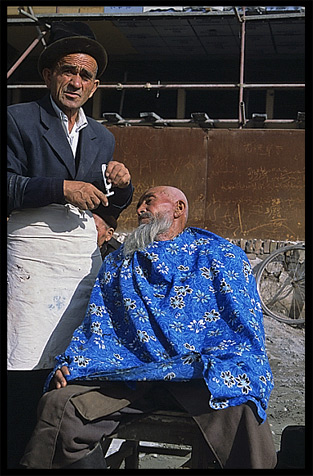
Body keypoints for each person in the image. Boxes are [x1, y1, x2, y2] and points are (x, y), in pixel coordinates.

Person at [21, 186, 277, 469]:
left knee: (243, 411)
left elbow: (241, 327)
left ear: (179, 209)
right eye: (140, 203)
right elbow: (99, 323)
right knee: (59, 406)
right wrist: (74, 360)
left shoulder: (219, 256)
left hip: (198, 378)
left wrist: (226, 364)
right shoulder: (119, 262)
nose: (140, 209)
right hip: (128, 377)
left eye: (149, 202)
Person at [7, 21, 133, 468]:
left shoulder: (102, 136)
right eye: (67, 71)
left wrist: (121, 186)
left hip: (78, 263)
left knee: (71, 359)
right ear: (48, 75)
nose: (75, 82)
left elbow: (107, 206)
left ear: (95, 84)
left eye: (85, 75)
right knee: (23, 361)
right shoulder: (17, 120)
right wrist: (62, 188)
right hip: (31, 260)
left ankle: (63, 449)